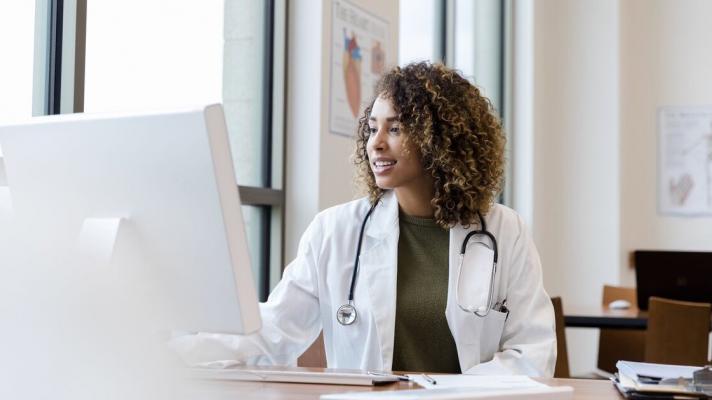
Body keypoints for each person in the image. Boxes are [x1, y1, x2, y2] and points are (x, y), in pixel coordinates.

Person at [173, 62, 556, 376]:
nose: (375, 142)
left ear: (440, 140)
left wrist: (451, 392)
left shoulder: (505, 232)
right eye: (373, 127)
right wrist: (177, 346)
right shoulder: (335, 231)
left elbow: (532, 352)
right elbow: (273, 331)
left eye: (396, 128)